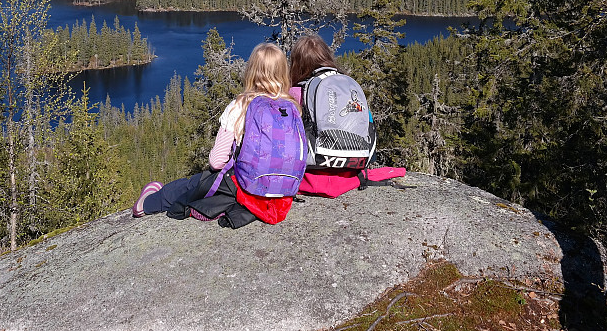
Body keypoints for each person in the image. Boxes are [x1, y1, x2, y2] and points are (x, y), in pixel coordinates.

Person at [132, 42, 301, 228]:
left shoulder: (240, 106)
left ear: (252, 71)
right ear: (283, 72)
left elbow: (217, 161)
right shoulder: (292, 107)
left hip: (246, 185)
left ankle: (146, 204)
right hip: (284, 190)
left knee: (191, 185)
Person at [289, 34, 405, 198]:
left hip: (314, 169)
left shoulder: (295, 92)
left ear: (297, 64)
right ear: (328, 58)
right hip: (351, 170)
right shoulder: (346, 85)